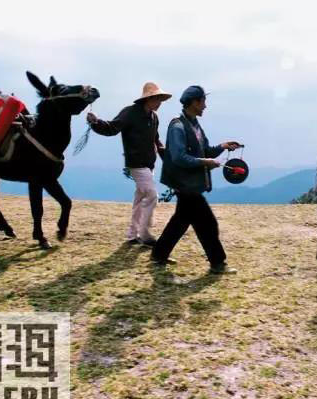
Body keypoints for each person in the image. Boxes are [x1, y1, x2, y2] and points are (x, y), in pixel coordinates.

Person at [153, 85, 240, 274]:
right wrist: (205, 162)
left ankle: (159, 254)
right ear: (194, 102)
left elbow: (206, 150)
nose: (205, 106)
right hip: (185, 185)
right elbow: (178, 157)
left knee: (181, 220)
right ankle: (217, 263)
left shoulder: (194, 125)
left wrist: (223, 146)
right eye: (203, 102)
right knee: (208, 223)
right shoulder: (178, 126)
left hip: (188, 184)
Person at [87, 82, 171, 246]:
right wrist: (95, 122)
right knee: (152, 196)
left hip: (148, 164)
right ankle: (145, 235)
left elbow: (156, 141)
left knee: (140, 199)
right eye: (158, 99)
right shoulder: (130, 112)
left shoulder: (154, 117)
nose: (160, 102)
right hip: (136, 164)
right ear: (149, 99)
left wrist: (168, 157)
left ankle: (133, 234)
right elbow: (111, 128)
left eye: (161, 99)